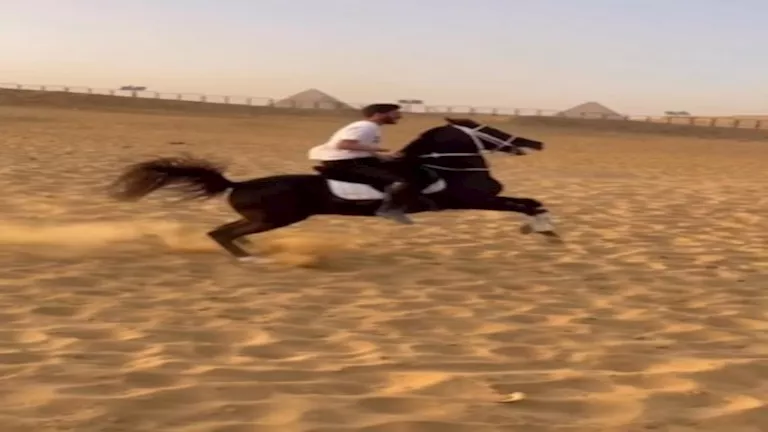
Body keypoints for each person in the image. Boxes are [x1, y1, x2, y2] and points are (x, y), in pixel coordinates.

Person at [308, 103, 414, 224]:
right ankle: (388, 209)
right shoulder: (365, 126)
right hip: (344, 162)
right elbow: (344, 144)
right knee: (398, 181)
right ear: (378, 114)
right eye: (394, 113)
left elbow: (361, 147)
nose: (399, 116)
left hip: (355, 159)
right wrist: (378, 149)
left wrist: (383, 157)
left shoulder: (372, 127)